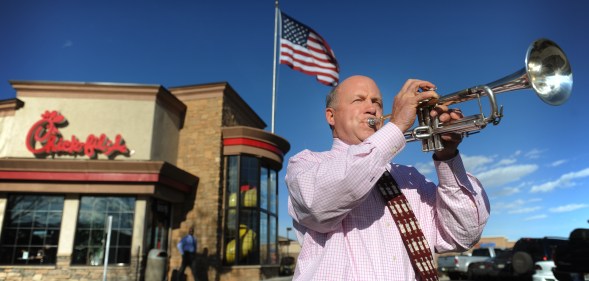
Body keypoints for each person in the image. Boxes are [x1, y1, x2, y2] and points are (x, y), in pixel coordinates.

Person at [285, 75, 491, 280]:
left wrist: (447, 156)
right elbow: (318, 204)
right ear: (331, 116)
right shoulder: (306, 163)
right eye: (359, 100)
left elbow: (462, 235)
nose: (372, 108)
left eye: (377, 102)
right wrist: (397, 126)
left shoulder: (411, 178)